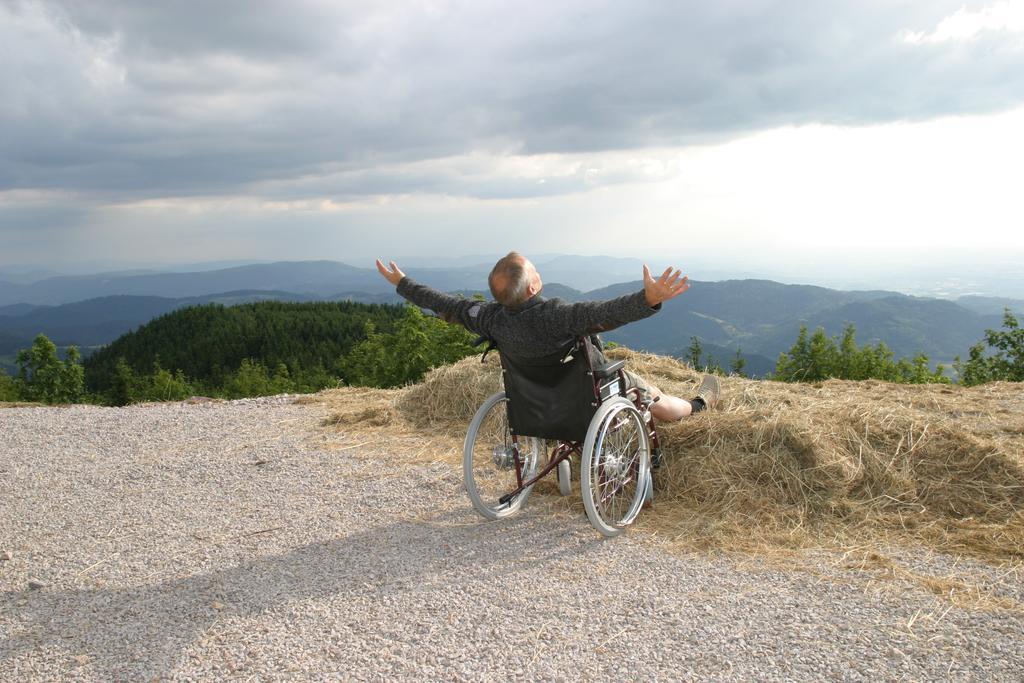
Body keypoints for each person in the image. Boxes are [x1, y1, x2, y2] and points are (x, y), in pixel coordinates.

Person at [374, 252, 719, 422]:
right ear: (535, 286)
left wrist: (403, 284)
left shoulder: (489, 319)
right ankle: (697, 406)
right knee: (651, 394)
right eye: (535, 270)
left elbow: (445, 304)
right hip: (585, 395)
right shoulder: (559, 316)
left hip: (535, 404)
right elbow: (605, 313)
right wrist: (649, 299)